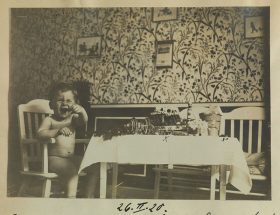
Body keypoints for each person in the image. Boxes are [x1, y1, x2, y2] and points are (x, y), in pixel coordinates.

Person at [37, 82, 99, 198]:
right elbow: (40, 133)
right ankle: (70, 200)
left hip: (71, 159)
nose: (65, 103)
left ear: (74, 104)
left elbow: (83, 120)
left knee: (94, 167)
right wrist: (57, 131)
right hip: (53, 159)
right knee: (71, 171)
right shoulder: (49, 120)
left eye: (69, 101)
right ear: (51, 105)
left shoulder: (73, 119)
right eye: (60, 100)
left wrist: (81, 111)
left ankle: (88, 197)